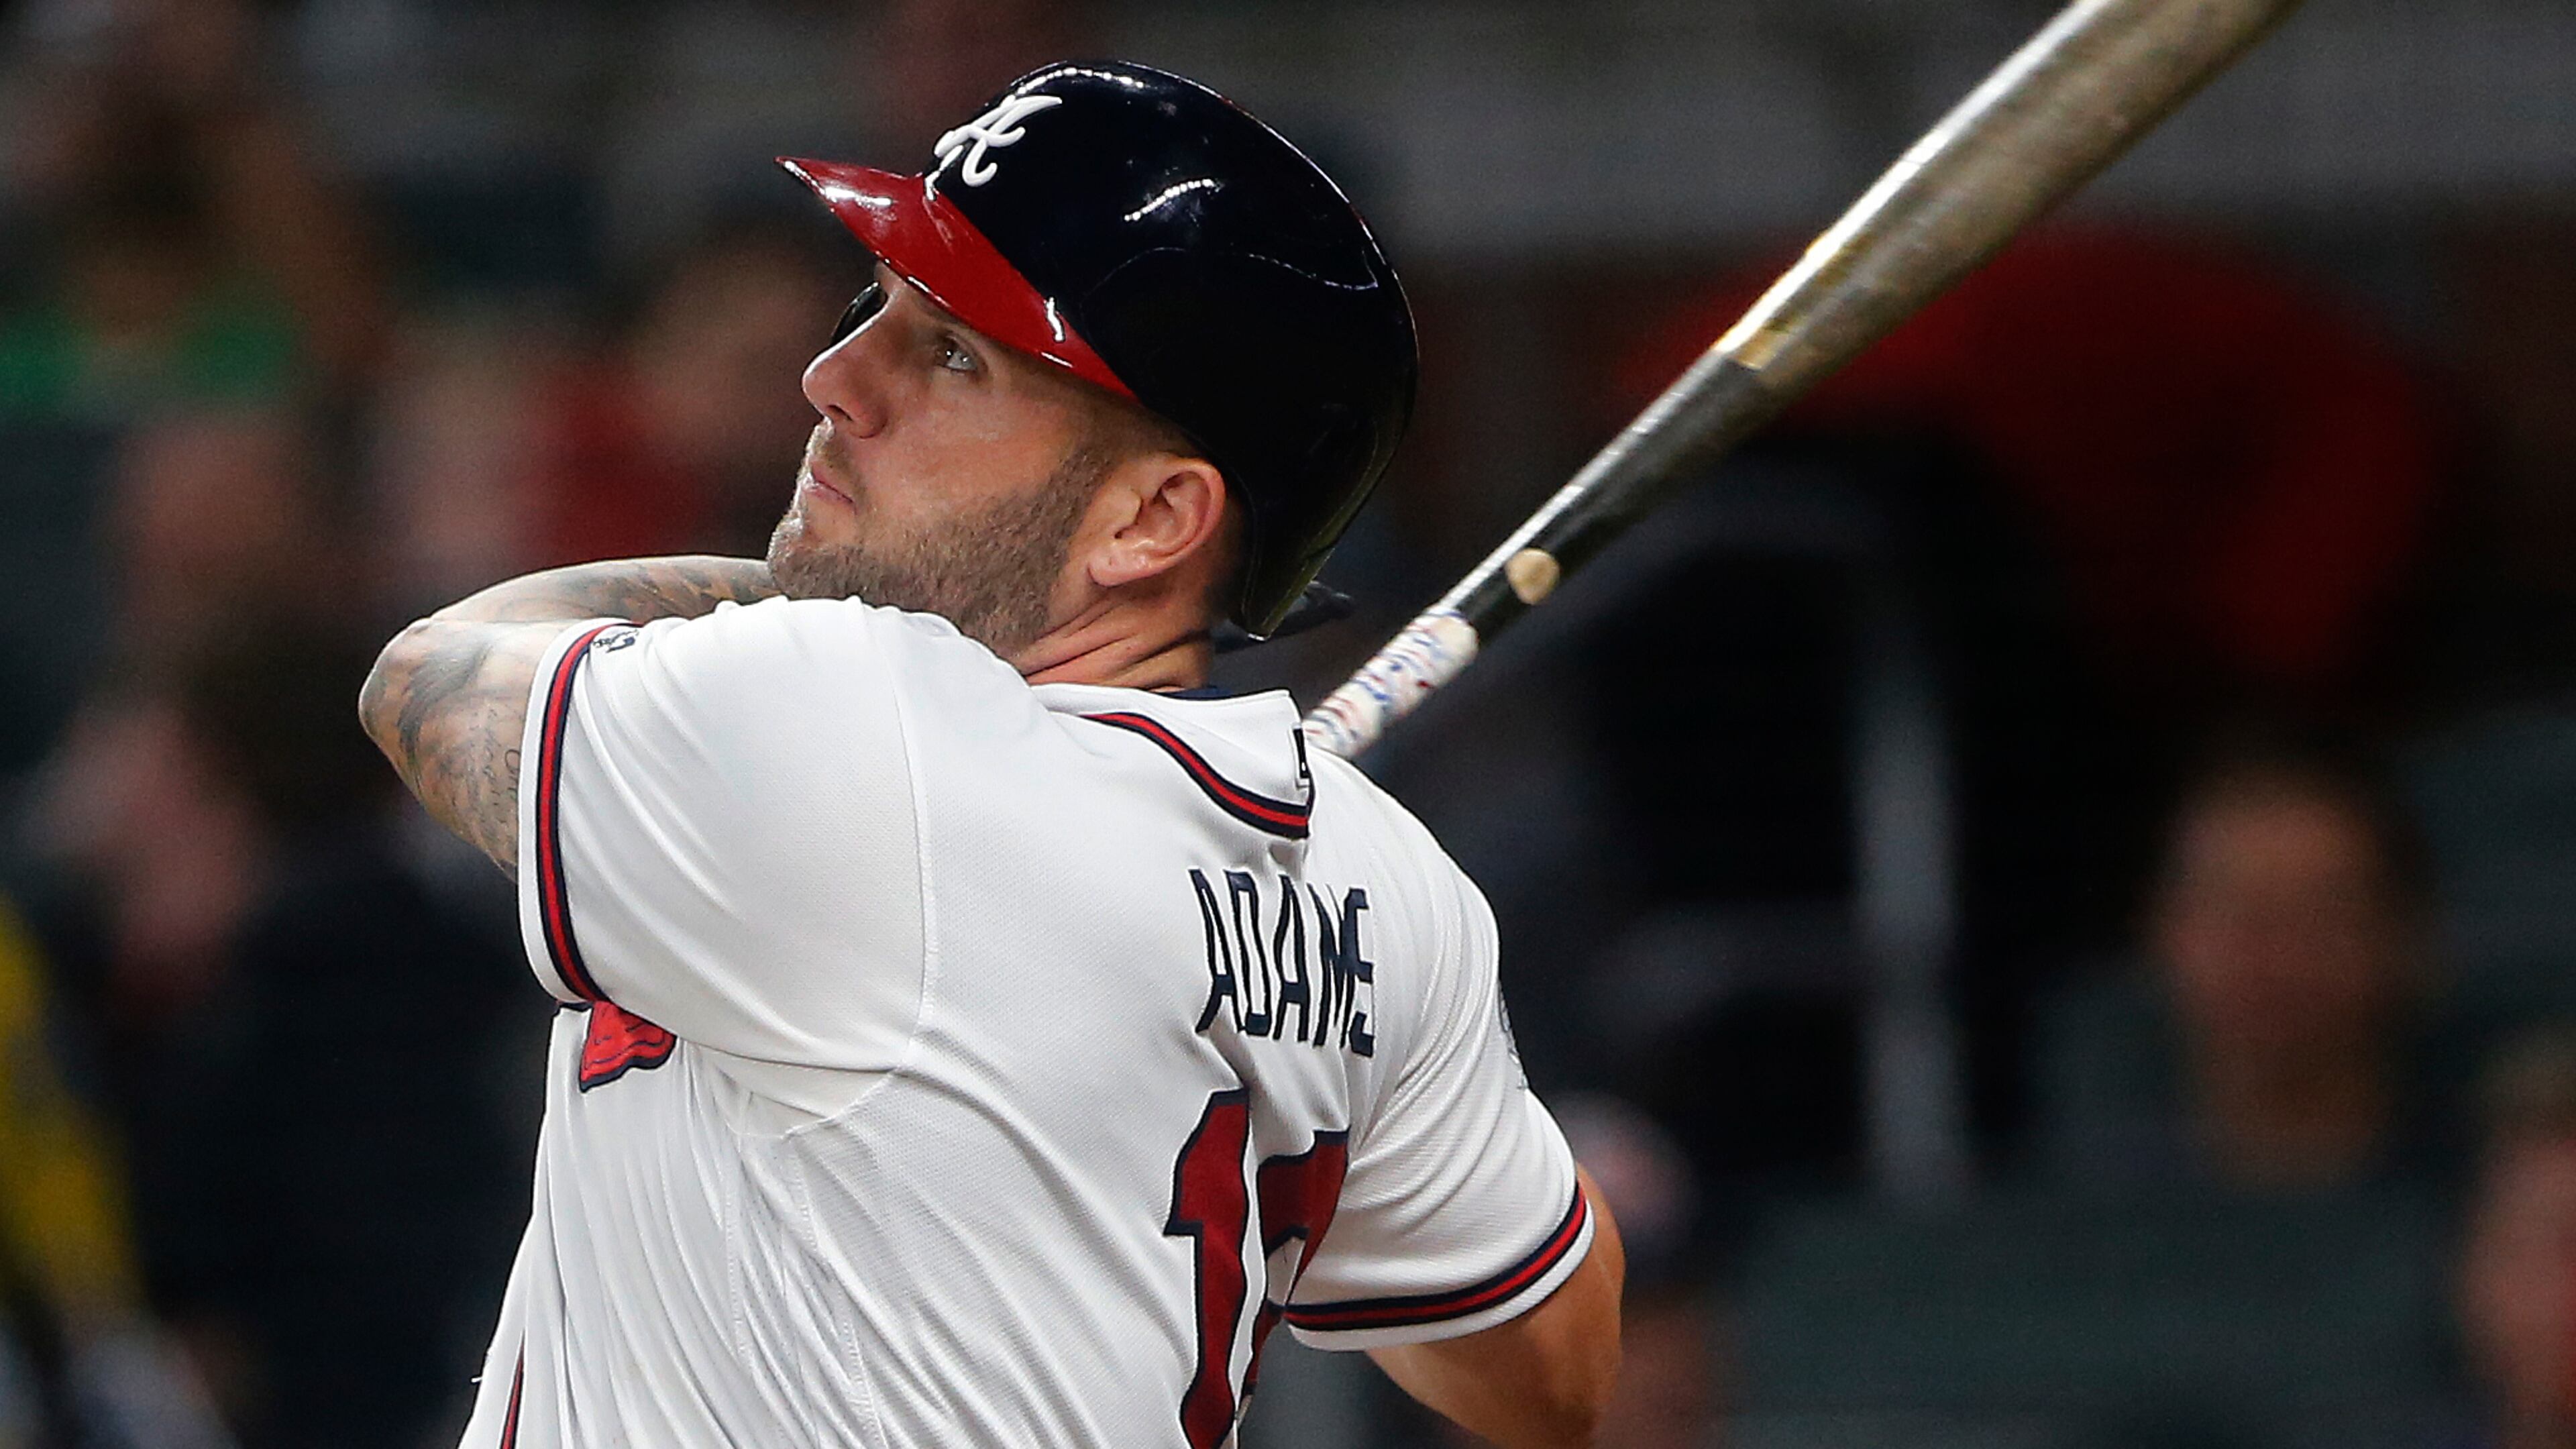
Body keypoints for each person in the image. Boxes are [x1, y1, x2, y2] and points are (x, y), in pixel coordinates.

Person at [358, 62, 1623, 1448]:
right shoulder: (1389, 888)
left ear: (1150, 522)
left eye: (953, 357)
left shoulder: (840, 711)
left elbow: (432, 676)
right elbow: (1553, 1375)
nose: (834, 379)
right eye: (878, 315)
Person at [2033, 732, 2437, 1191]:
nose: (2276, 959)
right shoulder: (2085, 1207)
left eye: (2318, 916)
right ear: (2161, 931)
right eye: (2234, 914)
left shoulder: (2483, 1205)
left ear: (2401, 939)